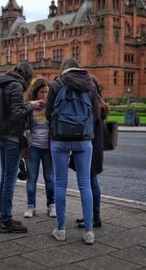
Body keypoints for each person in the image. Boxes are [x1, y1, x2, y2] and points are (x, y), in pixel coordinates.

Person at [45, 58, 99, 245]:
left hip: (59, 139)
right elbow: (97, 115)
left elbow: (48, 113)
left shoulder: (56, 85)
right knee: (85, 184)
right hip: (83, 140)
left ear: (64, 70)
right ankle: (89, 231)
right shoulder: (90, 84)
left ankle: (60, 230)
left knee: (60, 184)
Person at [0, 62, 44, 234]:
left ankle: (3, 217)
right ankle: (6, 220)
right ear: (27, 76)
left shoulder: (5, 82)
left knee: (5, 176)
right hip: (11, 137)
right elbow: (16, 114)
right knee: (9, 179)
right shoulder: (15, 86)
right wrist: (31, 105)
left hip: (1, 134)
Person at [76, 75, 109, 228]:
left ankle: (94, 217)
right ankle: (90, 215)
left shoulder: (94, 106)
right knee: (90, 182)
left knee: (90, 182)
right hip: (95, 147)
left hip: (92, 148)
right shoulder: (98, 104)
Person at [24, 78, 56, 218]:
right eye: (42, 92)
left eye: (47, 92)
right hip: (33, 147)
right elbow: (21, 124)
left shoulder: (52, 105)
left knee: (50, 177)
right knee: (31, 177)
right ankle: (31, 206)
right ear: (35, 92)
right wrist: (30, 107)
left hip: (48, 148)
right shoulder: (29, 105)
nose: (44, 95)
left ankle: (52, 205)